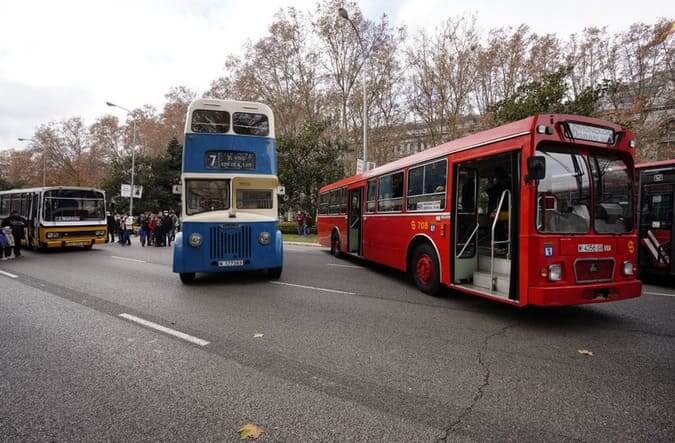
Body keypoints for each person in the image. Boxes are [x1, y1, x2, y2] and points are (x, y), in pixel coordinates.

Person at [487, 167, 510, 247]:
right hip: (503, 208)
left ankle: (502, 245)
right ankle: (501, 244)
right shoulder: (504, 184)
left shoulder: (502, 185)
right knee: (497, 225)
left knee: (498, 225)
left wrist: (495, 209)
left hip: (504, 209)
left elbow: (494, 196)